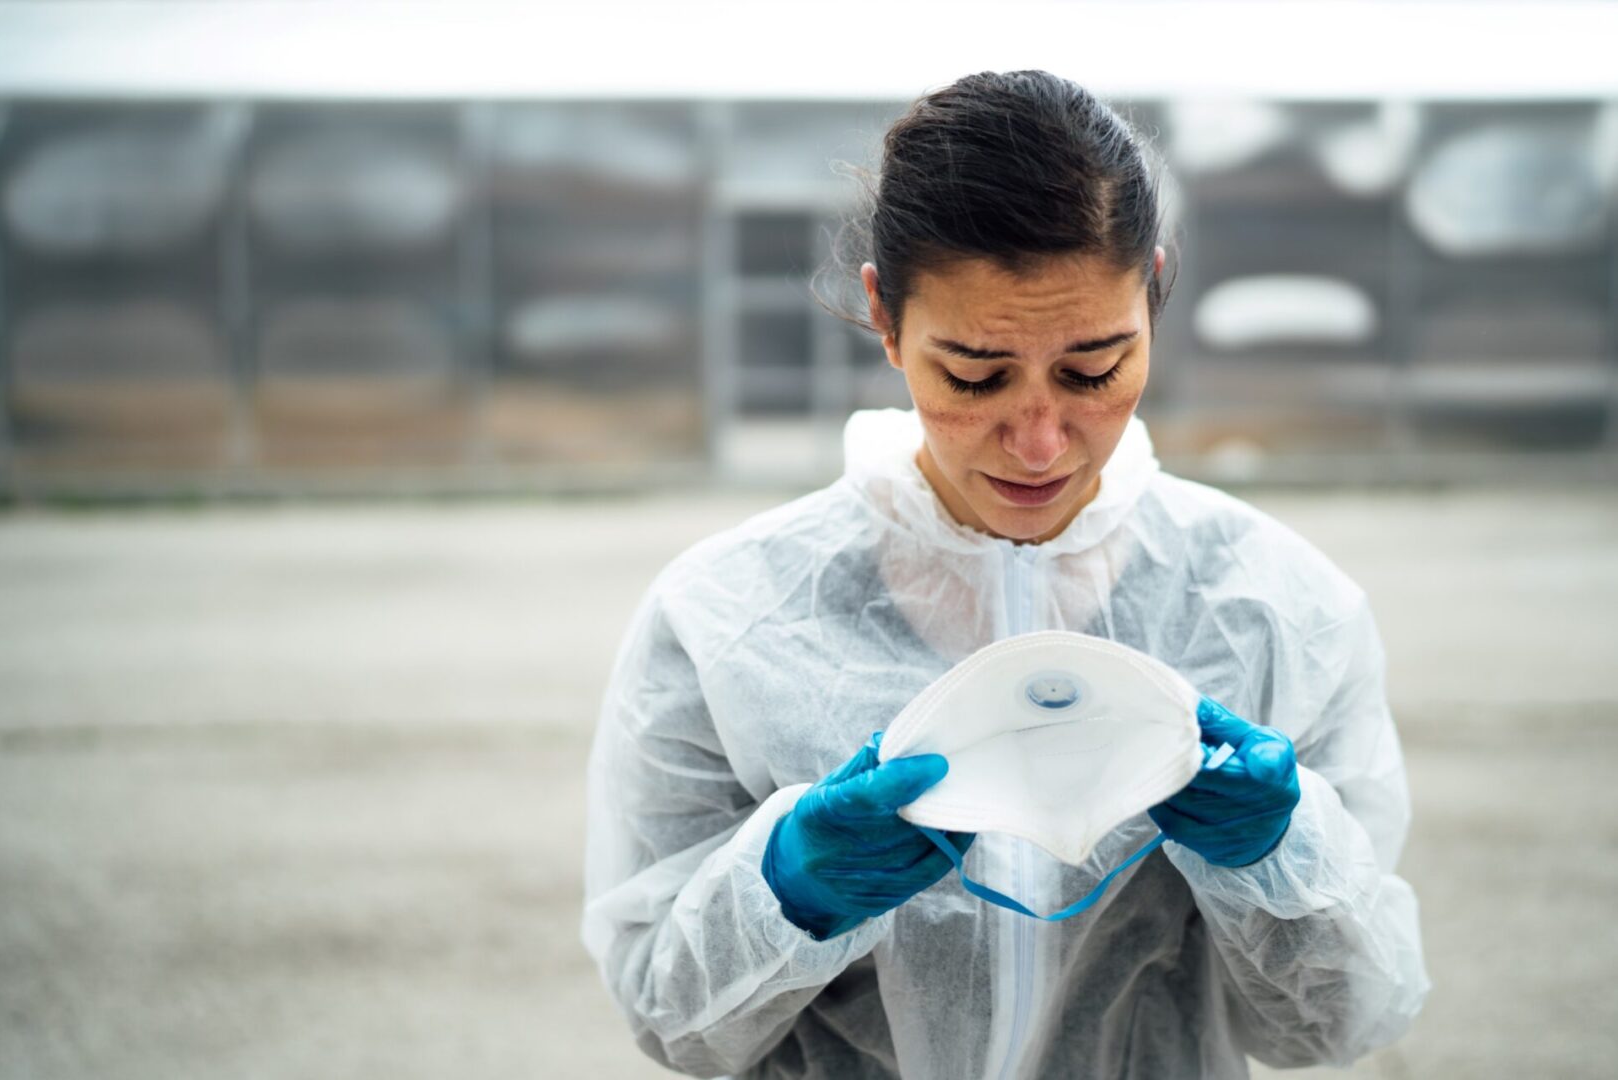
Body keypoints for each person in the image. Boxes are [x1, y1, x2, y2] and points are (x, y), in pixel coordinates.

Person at [582, 70, 1430, 1079]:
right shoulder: (726, 618)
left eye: (1094, 369)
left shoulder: (1277, 608)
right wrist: (783, 890)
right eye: (974, 376)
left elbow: (1335, 1029)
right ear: (885, 320)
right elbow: (672, 1024)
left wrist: (1282, 858)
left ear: (1153, 295)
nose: (1037, 442)